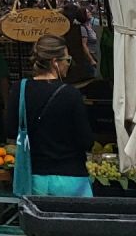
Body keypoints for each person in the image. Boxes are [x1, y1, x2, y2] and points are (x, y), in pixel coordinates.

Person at [10, 35, 93, 197]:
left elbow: (11, 129)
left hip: (33, 178)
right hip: (71, 178)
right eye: (67, 60)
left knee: (38, 221)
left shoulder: (19, 89)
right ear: (55, 62)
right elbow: (86, 140)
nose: (68, 65)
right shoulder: (71, 94)